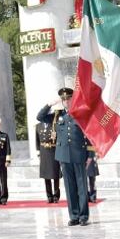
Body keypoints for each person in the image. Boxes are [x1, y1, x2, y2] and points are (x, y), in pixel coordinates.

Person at [37, 88, 93, 226]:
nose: (66, 101)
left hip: (79, 154)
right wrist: (50, 104)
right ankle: (74, 215)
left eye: (68, 98)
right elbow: (40, 117)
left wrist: (90, 155)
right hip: (63, 156)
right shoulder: (57, 115)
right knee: (69, 187)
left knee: (81, 186)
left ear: (73, 99)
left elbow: (90, 135)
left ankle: (83, 216)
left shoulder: (82, 114)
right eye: (64, 99)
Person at [35, 118, 61, 203]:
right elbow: (37, 140)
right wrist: (38, 152)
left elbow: (58, 139)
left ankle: (56, 196)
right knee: (46, 175)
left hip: (53, 151)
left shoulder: (54, 125)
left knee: (55, 174)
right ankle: (49, 196)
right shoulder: (38, 126)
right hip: (44, 152)